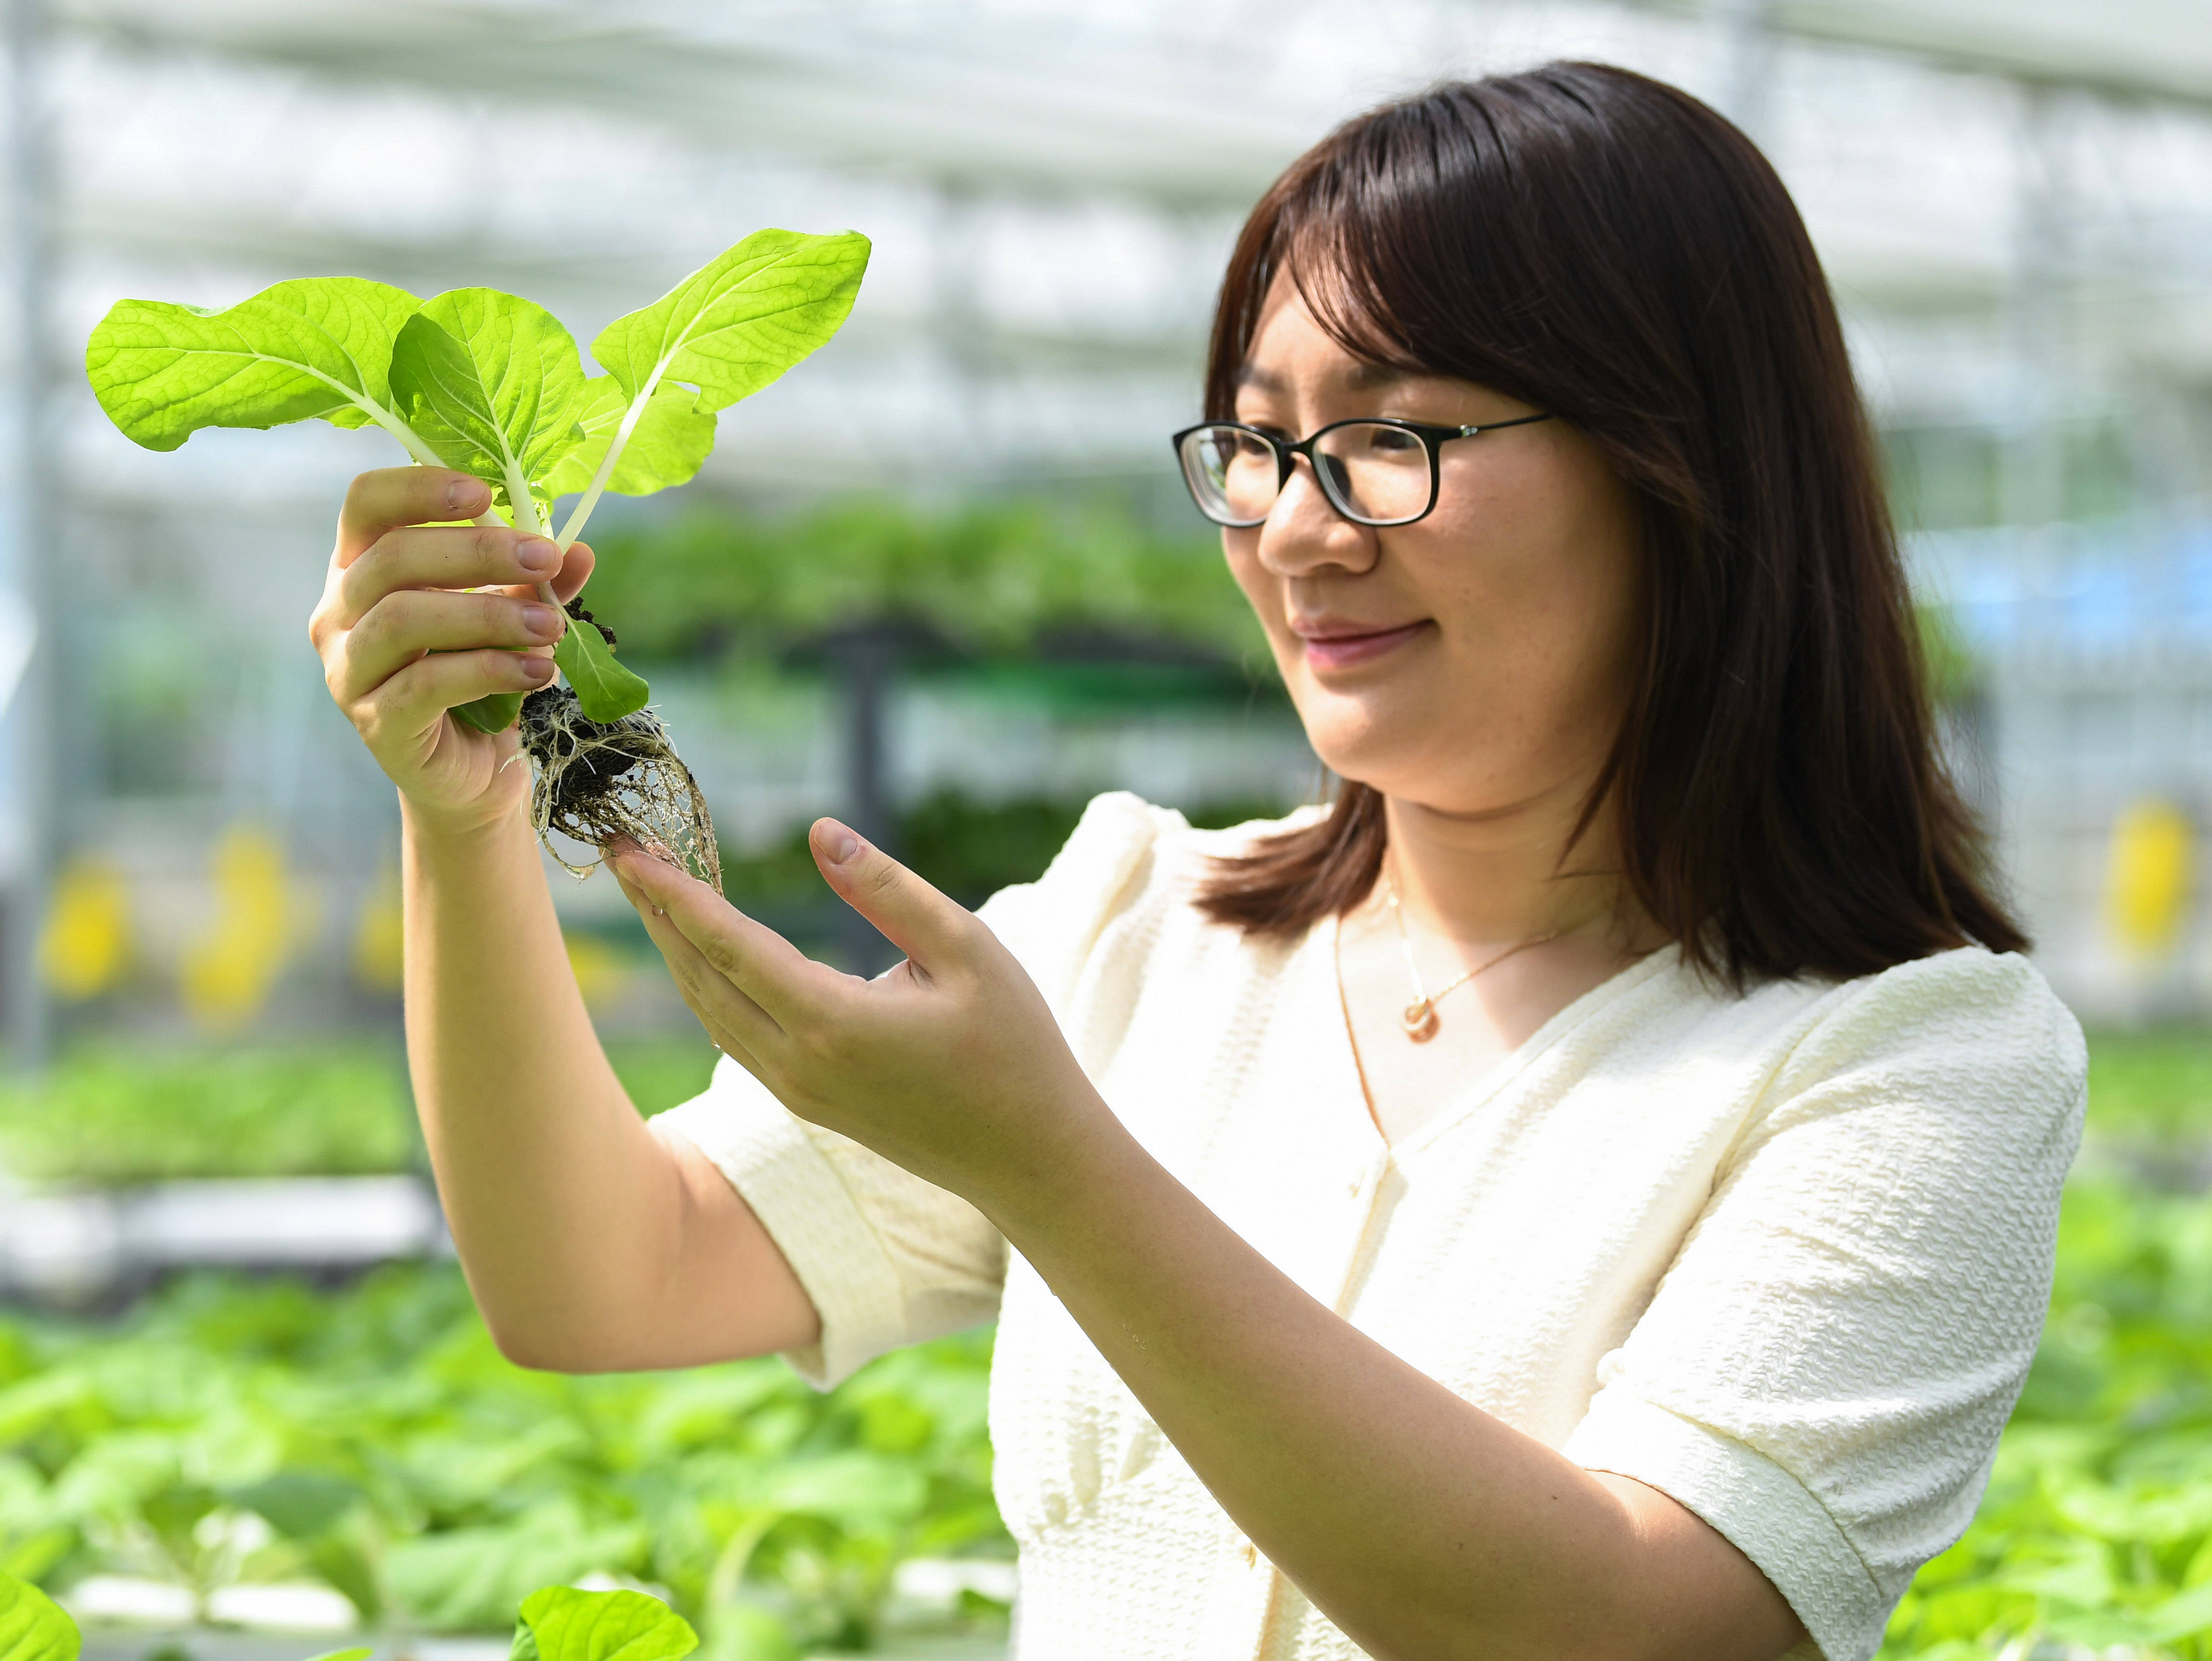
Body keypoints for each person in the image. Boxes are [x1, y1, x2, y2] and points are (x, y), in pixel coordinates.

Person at [308, 61, 2084, 1661]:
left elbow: (1634, 1627)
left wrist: (1052, 1166)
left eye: (1390, 438)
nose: (1296, 530)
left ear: (1677, 464)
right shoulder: (1135, 929)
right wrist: (463, 824)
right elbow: (598, 1275)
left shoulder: (1916, 1059)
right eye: (1259, 443)